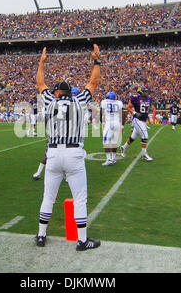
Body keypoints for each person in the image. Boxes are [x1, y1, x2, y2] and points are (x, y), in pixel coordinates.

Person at [35, 45, 101, 251]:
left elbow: (40, 83)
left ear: (56, 92)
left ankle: (41, 235)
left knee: (48, 197)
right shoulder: (79, 100)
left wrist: (42, 62)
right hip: (73, 153)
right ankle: (82, 240)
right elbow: (93, 82)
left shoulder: (49, 101)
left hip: (53, 154)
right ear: (68, 91)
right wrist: (97, 61)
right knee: (80, 198)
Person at [120, 86, 154, 161]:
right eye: (144, 91)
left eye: (146, 91)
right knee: (145, 136)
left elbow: (148, 108)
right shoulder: (135, 98)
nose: (146, 93)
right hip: (137, 120)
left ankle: (123, 148)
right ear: (140, 92)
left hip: (143, 120)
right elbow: (128, 107)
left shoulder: (149, 99)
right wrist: (134, 113)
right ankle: (144, 155)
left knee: (133, 137)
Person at [100, 92, 124, 166]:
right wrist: (122, 125)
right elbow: (123, 114)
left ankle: (109, 159)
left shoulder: (104, 102)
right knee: (114, 142)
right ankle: (113, 159)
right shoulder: (119, 103)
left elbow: (101, 113)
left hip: (109, 123)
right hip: (117, 123)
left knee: (106, 142)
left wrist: (102, 122)